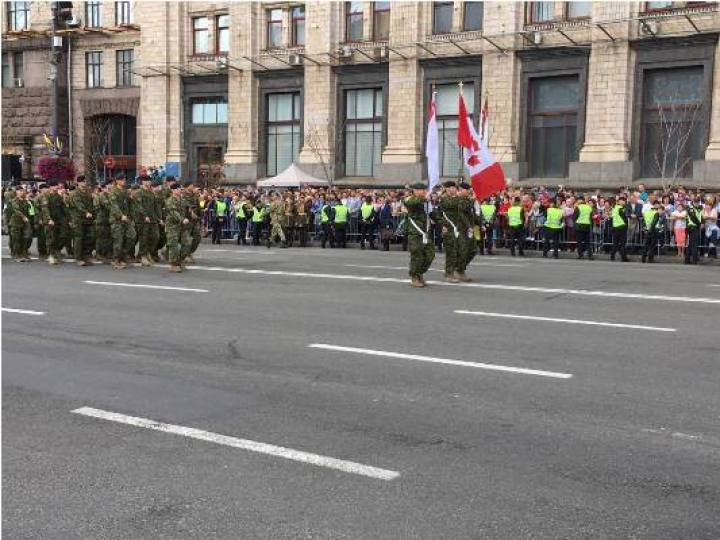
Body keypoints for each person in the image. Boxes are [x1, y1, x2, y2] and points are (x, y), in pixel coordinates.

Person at [405, 182, 435, 287]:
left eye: (425, 190)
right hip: (415, 233)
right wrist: (425, 199)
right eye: (423, 190)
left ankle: (419, 272)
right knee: (416, 255)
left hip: (425, 232)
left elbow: (431, 213)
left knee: (430, 254)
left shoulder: (424, 202)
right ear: (416, 191)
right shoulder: (410, 199)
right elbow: (412, 203)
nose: (425, 192)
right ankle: (414, 277)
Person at [108, 174, 136, 269]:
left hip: (126, 219)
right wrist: (121, 215)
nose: (124, 181)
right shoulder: (113, 192)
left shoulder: (124, 191)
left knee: (132, 236)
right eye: (122, 180)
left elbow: (129, 203)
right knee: (118, 241)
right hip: (117, 220)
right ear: (117, 181)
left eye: (125, 179)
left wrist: (131, 198)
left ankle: (123, 255)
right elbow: (114, 205)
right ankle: (116, 261)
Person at [65, 175, 96, 266]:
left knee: (90, 236)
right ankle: (78, 258)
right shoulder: (75, 193)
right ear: (79, 183)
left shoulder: (87, 192)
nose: (85, 183)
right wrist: (86, 212)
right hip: (78, 219)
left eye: (85, 181)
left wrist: (92, 214)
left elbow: (91, 204)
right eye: (83, 181)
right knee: (79, 238)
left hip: (88, 219)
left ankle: (86, 255)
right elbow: (79, 205)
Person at [133, 174, 160, 266]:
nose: (148, 182)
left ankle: (146, 253)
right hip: (142, 220)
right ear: (143, 182)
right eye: (146, 181)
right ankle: (143, 256)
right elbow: (138, 206)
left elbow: (156, 206)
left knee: (155, 237)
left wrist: (159, 218)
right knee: (143, 238)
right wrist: (145, 216)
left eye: (149, 181)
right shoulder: (138, 192)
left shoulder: (151, 192)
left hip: (152, 219)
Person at [165, 182, 191, 273]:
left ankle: (178, 261)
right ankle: (173, 264)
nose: (180, 190)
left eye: (180, 189)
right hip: (172, 226)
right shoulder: (170, 201)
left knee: (187, 243)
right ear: (173, 190)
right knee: (174, 246)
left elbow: (188, 209)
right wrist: (182, 219)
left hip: (182, 226)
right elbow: (173, 212)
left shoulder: (182, 200)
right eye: (178, 189)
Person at [438, 180, 461, 283]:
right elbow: (450, 205)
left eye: (455, 188)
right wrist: (442, 225)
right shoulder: (444, 199)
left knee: (455, 251)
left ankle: (450, 271)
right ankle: (449, 273)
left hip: (455, 228)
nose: (455, 189)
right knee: (450, 252)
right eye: (453, 188)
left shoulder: (454, 198)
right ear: (448, 188)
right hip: (448, 228)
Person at [40, 181, 67, 266]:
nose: (57, 187)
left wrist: (68, 218)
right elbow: (45, 209)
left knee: (61, 236)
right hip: (50, 221)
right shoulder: (46, 196)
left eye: (57, 185)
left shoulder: (58, 196)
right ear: (51, 187)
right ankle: (50, 255)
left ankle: (56, 251)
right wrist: (49, 219)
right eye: (55, 186)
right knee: (50, 238)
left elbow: (63, 208)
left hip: (58, 220)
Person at [454, 181, 476, 282]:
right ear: (462, 190)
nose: (469, 192)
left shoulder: (466, 199)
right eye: (467, 190)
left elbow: (471, 214)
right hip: (461, 229)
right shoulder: (457, 199)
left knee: (473, 250)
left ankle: (459, 268)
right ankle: (459, 271)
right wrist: (472, 201)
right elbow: (462, 210)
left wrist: (480, 224)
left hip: (468, 229)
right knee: (463, 250)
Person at [8, 187, 31, 262]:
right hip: (15, 223)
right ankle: (16, 255)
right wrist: (23, 217)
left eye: (22, 191)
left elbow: (28, 210)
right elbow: (16, 210)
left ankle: (22, 254)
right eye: (20, 191)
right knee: (16, 239)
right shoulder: (14, 200)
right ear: (17, 192)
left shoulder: (25, 201)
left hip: (23, 223)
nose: (22, 192)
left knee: (23, 239)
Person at [641, 200, 663, 264]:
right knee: (652, 246)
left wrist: (646, 229)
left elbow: (644, 221)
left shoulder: (647, 212)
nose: (659, 206)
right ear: (656, 205)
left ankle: (643, 259)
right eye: (658, 205)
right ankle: (650, 259)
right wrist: (651, 230)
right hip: (653, 230)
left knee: (646, 245)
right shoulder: (656, 213)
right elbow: (654, 222)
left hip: (647, 230)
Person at [610, 196, 630, 262]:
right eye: (624, 201)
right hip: (622, 227)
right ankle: (623, 257)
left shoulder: (614, 208)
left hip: (615, 227)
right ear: (620, 201)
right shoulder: (621, 208)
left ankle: (612, 256)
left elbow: (612, 219)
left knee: (615, 243)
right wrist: (626, 226)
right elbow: (625, 219)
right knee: (622, 243)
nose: (624, 202)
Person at [574, 196, 594, 260]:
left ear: (580, 201)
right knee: (587, 242)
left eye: (578, 200)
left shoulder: (578, 207)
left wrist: (575, 224)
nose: (577, 202)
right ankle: (590, 256)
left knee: (579, 242)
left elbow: (574, 217)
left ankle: (580, 255)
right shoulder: (589, 207)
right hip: (587, 226)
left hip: (579, 226)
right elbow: (591, 218)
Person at [685, 200, 702, 265]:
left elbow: (700, 217)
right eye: (695, 202)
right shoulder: (691, 209)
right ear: (693, 203)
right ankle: (695, 260)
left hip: (695, 227)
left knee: (690, 245)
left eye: (697, 202)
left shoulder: (698, 210)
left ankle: (687, 260)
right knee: (694, 245)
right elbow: (693, 218)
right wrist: (699, 224)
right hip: (693, 227)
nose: (696, 203)